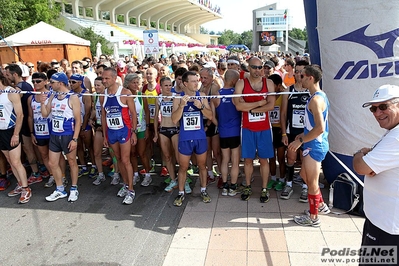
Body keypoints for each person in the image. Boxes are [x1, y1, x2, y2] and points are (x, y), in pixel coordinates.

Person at [353, 84, 399, 259]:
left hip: (386, 226)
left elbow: (361, 167)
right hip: (382, 221)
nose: (377, 113)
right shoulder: (393, 132)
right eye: (373, 108)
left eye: (383, 106)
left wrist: (359, 154)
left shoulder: (396, 137)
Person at [289, 64, 329, 227]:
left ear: (310, 78)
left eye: (302, 75)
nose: (299, 77)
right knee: (305, 176)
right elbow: (315, 126)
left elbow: (319, 128)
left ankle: (313, 217)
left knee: (312, 183)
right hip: (311, 143)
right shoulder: (318, 96)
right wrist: (303, 136)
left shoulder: (316, 100)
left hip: (315, 145)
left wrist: (301, 140)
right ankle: (320, 205)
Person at [233, 56, 276, 203]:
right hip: (247, 128)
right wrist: (259, 102)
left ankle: (264, 189)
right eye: (255, 67)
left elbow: (271, 106)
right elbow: (238, 106)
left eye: (260, 67)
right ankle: (248, 186)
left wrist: (250, 108)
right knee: (248, 160)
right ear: (249, 68)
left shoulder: (268, 83)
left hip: (264, 128)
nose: (258, 70)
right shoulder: (241, 83)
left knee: (264, 160)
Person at [171, 71, 212, 207]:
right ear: (185, 83)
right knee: (183, 167)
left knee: (202, 165)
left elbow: (210, 116)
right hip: (185, 137)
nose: (196, 83)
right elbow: (174, 119)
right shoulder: (178, 98)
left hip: (199, 136)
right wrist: (182, 106)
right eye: (193, 81)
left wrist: (201, 106)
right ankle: (181, 192)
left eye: (197, 80)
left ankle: (204, 190)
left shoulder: (202, 96)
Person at [40, 72, 81, 202]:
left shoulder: (72, 97)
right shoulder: (53, 95)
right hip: (55, 134)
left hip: (68, 134)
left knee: (72, 161)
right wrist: (42, 103)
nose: (49, 84)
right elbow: (45, 114)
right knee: (53, 163)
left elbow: (78, 120)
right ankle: (60, 189)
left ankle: (74, 188)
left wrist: (75, 139)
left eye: (52, 82)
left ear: (61, 83)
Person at [100, 67, 137, 205]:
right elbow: (103, 116)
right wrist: (104, 136)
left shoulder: (125, 93)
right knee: (118, 159)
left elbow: (133, 114)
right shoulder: (102, 95)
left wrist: (133, 131)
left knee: (126, 160)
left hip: (124, 131)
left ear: (115, 78)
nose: (104, 81)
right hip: (111, 132)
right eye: (102, 78)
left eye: (106, 78)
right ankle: (126, 184)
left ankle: (131, 190)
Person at [280, 60, 310, 201]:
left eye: (301, 72)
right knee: (290, 158)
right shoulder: (289, 90)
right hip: (292, 131)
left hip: (307, 133)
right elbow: (284, 113)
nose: (298, 74)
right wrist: (284, 133)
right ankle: (289, 184)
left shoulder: (312, 91)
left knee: (305, 160)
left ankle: (305, 187)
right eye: (296, 71)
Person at [0, 72, 31, 203]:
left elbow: (20, 115)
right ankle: (19, 183)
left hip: (11, 130)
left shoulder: (11, 92)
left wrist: (16, 134)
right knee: (9, 160)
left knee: (16, 161)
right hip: (0, 131)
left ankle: (26, 188)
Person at [210, 69, 241, 196]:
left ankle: (224, 185)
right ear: (234, 81)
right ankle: (233, 187)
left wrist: (220, 125)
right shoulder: (236, 94)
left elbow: (212, 117)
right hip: (235, 131)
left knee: (224, 160)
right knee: (235, 160)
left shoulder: (216, 94)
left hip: (223, 132)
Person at [154, 77, 183, 192]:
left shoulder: (176, 97)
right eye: (165, 85)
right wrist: (156, 133)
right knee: (167, 157)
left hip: (175, 129)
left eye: (170, 85)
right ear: (161, 86)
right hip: (163, 129)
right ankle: (173, 179)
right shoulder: (159, 98)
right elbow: (156, 116)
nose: (168, 87)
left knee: (178, 157)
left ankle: (183, 180)